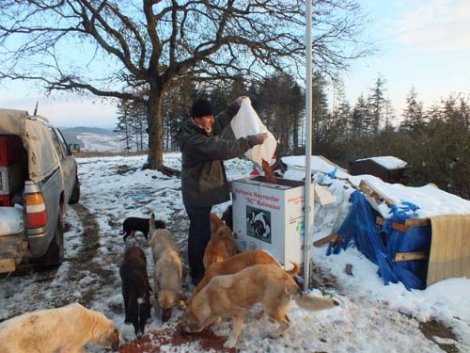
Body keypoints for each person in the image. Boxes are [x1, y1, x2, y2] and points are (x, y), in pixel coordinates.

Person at [176, 97, 268, 285]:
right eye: (207, 117)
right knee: (199, 235)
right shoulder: (194, 141)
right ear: (197, 119)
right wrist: (251, 141)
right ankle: (198, 275)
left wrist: (234, 106)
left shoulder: (201, 129)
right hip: (197, 195)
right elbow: (223, 148)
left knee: (200, 232)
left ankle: (203, 267)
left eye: (210, 116)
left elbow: (218, 123)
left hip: (200, 192)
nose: (211, 120)